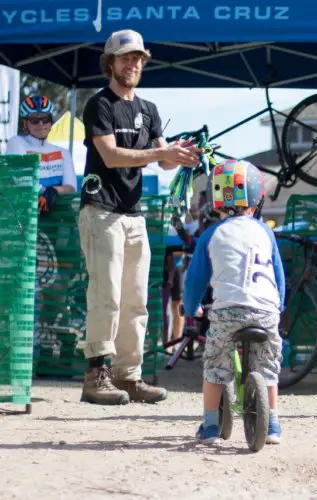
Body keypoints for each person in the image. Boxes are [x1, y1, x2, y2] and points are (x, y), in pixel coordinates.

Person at [77, 29, 202, 405]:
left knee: (136, 300)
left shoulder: (149, 110)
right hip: (100, 211)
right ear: (110, 63)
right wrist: (157, 154)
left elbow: (163, 161)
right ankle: (96, 374)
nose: (132, 64)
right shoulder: (99, 105)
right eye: (125, 57)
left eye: (138, 59)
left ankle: (128, 376)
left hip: (133, 215)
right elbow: (112, 156)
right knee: (107, 296)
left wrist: (182, 154)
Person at [183, 159, 286, 445]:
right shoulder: (266, 232)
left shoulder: (211, 234)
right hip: (266, 311)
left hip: (228, 312)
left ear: (216, 202)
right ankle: (274, 423)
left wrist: (192, 308)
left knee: (215, 367)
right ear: (256, 200)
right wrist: (280, 306)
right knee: (268, 369)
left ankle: (211, 427)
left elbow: (195, 280)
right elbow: (278, 275)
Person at [5, 95, 77, 214]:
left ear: (51, 122)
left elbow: (71, 188)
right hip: (25, 218)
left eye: (45, 119)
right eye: (34, 120)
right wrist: (45, 191)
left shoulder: (64, 153)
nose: (40, 124)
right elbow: (22, 179)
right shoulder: (16, 142)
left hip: (57, 220)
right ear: (25, 123)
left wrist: (52, 191)